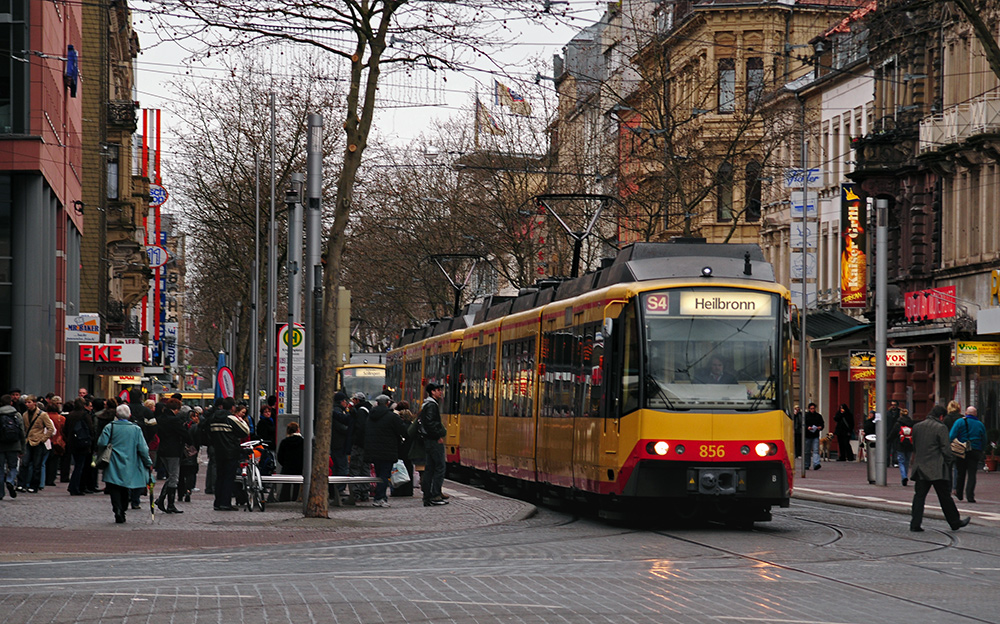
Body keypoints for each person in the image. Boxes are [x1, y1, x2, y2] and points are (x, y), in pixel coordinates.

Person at [909, 404, 970, 532]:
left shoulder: (917, 427)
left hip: (920, 467)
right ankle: (954, 522)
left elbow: (915, 446)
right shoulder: (940, 428)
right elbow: (946, 449)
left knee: (919, 496)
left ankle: (915, 523)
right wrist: (949, 462)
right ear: (941, 416)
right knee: (944, 497)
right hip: (937, 468)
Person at [99, 403, 152, 524]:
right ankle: (122, 509)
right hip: (130, 462)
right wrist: (148, 462)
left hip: (112, 461)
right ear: (129, 415)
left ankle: (117, 509)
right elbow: (143, 449)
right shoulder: (136, 429)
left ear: (116, 414)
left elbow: (101, 443)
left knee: (113, 487)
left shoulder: (110, 427)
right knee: (125, 487)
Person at [364, 394, 409, 507]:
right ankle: (379, 498)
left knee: (379, 474)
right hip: (388, 450)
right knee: (385, 475)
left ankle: (381, 496)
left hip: (373, 450)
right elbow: (403, 430)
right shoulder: (391, 416)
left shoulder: (371, 416)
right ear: (388, 403)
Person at [208, 397, 249, 511]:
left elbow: (207, 431)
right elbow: (245, 432)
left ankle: (217, 502)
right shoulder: (231, 418)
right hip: (231, 451)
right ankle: (225, 503)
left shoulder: (213, 418)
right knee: (229, 478)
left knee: (219, 477)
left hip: (218, 451)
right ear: (232, 407)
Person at [154, 397, 191, 513]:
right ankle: (169, 503)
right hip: (173, 450)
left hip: (163, 450)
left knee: (171, 476)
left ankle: (161, 500)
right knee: (174, 477)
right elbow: (184, 434)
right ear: (176, 409)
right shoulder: (174, 420)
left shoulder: (160, 419)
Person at [418, 382, 449, 506]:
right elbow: (430, 423)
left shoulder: (427, 404)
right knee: (439, 467)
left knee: (430, 469)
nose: (440, 392)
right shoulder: (431, 405)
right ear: (432, 392)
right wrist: (437, 436)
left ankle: (427, 496)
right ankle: (435, 494)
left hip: (428, 440)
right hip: (433, 441)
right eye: (438, 390)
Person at [16, 395, 55, 493]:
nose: (27, 404)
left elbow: (51, 428)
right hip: (28, 441)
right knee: (24, 464)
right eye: (26, 402)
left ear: (34, 403)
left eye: (29, 402)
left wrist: (43, 438)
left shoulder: (42, 414)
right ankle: (21, 484)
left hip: (38, 441)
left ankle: (34, 485)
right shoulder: (24, 414)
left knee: (37, 465)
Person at [950, 406, 987, 503]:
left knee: (960, 472)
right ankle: (970, 496)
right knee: (972, 474)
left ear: (966, 413)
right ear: (975, 414)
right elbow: (984, 439)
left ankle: (959, 493)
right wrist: (982, 450)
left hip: (961, 450)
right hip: (975, 450)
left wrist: (951, 445)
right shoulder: (980, 424)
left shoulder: (960, 422)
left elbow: (951, 435)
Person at [63, 398, 94, 496]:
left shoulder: (70, 415)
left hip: (72, 443)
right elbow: (90, 428)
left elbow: (65, 429)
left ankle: (74, 486)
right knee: (80, 466)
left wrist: (69, 438)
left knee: (77, 464)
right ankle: (74, 487)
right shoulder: (85, 415)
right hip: (83, 442)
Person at [0, 394, 25, 499]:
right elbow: (22, 432)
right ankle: (10, 480)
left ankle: (0, 493)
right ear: (11, 402)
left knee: (0, 469)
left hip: (0, 446)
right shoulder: (16, 414)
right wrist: (22, 447)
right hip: (14, 445)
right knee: (13, 467)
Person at [348, 392, 371, 504]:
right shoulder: (368, 410)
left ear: (357, 400)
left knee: (355, 468)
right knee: (365, 469)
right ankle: (365, 493)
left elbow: (359, 428)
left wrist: (355, 442)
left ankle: (355, 494)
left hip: (359, 445)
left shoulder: (360, 412)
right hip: (367, 445)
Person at [329, 392, 352, 501]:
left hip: (335, 442)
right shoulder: (337, 412)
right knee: (341, 466)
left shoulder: (334, 410)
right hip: (339, 443)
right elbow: (341, 427)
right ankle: (340, 488)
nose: (346, 403)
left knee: (336, 466)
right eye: (344, 401)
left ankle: (336, 488)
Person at [393, 401, 417, 497]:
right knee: (408, 470)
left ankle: (399, 490)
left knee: (399, 471)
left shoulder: (400, 426)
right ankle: (408, 491)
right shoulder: (411, 426)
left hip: (400, 452)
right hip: (409, 452)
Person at [277, 421, 304, 502]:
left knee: (286, 485)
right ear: (298, 430)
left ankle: (284, 498)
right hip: (299, 468)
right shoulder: (303, 442)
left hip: (287, 467)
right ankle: (295, 498)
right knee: (297, 485)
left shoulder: (284, 442)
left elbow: (280, 457)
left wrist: (285, 464)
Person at [891, 408, 914, 486]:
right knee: (907, 462)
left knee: (901, 461)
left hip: (900, 445)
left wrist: (887, 441)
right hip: (910, 445)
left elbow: (893, 434)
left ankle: (904, 476)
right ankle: (906, 475)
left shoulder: (898, 423)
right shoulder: (911, 423)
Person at [803, 402, 824, 470]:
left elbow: (822, 424)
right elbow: (803, 425)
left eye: (813, 408)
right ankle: (806, 464)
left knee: (816, 450)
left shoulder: (818, 416)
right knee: (807, 451)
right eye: (811, 409)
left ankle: (816, 463)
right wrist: (807, 428)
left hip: (815, 435)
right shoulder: (806, 416)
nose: (812, 410)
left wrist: (820, 427)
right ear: (809, 409)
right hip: (807, 435)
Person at [885, 400, 901, 466]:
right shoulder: (888, 413)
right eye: (892, 405)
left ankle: (895, 461)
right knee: (887, 448)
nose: (893, 406)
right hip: (888, 432)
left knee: (895, 448)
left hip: (896, 432)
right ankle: (887, 462)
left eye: (894, 405)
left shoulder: (900, 413)